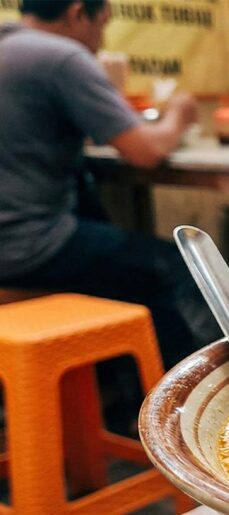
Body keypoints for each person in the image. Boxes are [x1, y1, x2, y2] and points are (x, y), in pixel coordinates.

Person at [0, 0, 215, 367]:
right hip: (27, 246)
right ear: (77, 13)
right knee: (178, 266)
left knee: (118, 253)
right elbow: (145, 152)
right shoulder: (61, 57)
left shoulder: (10, 47)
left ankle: (118, 394)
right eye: (102, 24)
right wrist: (179, 115)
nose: (101, 39)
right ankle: (181, 401)